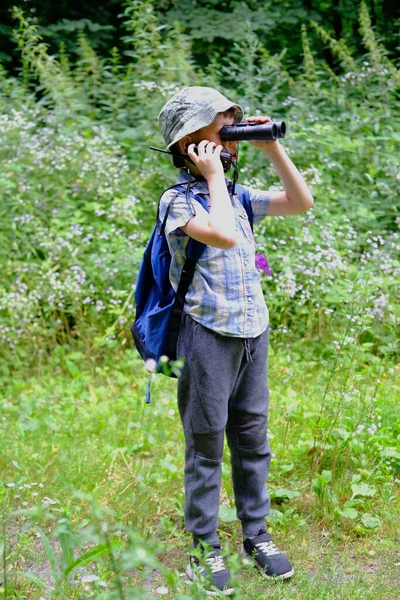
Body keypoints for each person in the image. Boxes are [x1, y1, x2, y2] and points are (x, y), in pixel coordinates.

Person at [157, 86, 313, 596]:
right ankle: (204, 545)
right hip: (207, 336)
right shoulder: (177, 201)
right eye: (220, 128)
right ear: (188, 143)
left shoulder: (239, 195)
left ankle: (257, 534)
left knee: (252, 438)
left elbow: (300, 201)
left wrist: (272, 148)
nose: (231, 136)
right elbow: (222, 234)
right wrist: (214, 177)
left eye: (234, 127)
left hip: (252, 331)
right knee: (206, 443)